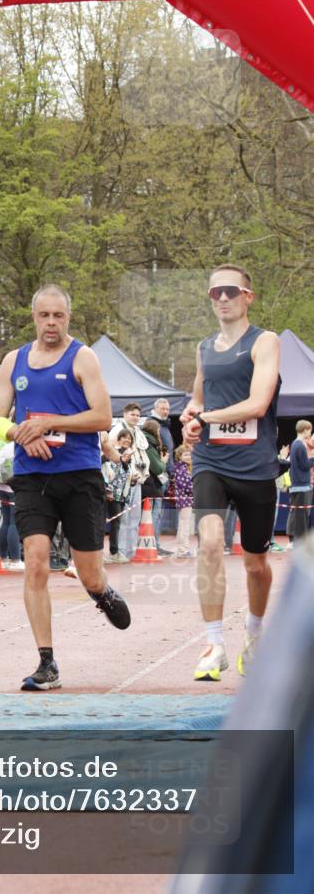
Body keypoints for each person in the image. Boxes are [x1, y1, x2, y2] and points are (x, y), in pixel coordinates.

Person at [0, 284, 131, 692]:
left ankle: (101, 591)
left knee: (88, 573)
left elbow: (103, 417)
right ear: (33, 316)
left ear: (68, 317)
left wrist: (49, 423)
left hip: (79, 475)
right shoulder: (14, 360)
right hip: (32, 476)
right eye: (44, 315)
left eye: (58, 316)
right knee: (35, 562)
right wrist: (19, 432)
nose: (51, 323)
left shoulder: (82, 357)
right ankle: (46, 662)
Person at [181, 264, 281, 681]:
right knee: (209, 544)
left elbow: (258, 404)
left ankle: (254, 635)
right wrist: (190, 417)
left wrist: (205, 417)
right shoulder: (205, 348)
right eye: (215, 292)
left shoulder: (265, 342)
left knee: (255, 563)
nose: (222, 298)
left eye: (230, 291)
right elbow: (197, 399)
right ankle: (213, 644)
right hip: (211, 460)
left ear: (247, 297)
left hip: (255, 465)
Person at [108, 403, 150, 561]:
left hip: (138, 480)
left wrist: (143, 474)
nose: (136, 417)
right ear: (124, 414)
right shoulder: (116, 431)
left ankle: (131, 551)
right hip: (122, 482)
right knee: (123, 517)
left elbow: (142, 455)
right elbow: (112, 456)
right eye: (133, 414)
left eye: (138, 415)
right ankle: (120, 551)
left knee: (134, 517)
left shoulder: (138, 432)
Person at [102, 428, 134, 563]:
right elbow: (107, 472)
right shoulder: (111, 454)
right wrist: (108, 490)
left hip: (121, 495)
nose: (127, 440)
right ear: (118, 439)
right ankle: (109, 553)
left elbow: (125, 475)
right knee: (104, 522)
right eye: (124, 437)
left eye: (129, 438)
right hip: (110, 494)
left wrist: (133, 479)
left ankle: (114, 552)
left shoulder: (130, 457)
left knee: (116, 524)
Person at [149, 398, 175, 555]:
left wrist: (171, 472)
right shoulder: (153, 425)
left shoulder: (165, 425)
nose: (165, 411)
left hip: (165, 473)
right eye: (162, 408)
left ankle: (155, 544)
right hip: (157, 474)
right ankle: (153, 545)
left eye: (167, 409)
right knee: (155, 512)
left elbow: (168, 450)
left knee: (157, 512)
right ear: (155, 408)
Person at [286, 420, 314, 543]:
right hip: (302, 485)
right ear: (305, 430)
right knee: (301, 515)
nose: (310, 433)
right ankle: (299, 541)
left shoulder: (295, 444)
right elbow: (305, 465)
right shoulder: (300, 445)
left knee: (295, 513)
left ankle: (293, 540)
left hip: (296, 484)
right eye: (310, 430)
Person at [172, 444, 195, 558]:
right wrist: (197, 489)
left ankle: (182, 549)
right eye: (185, 454)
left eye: (190, 454)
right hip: (184, 500)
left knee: (184, 525)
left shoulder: (184, 467)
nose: (188, 456)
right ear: (179, 456)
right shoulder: (182, 468)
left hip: (186, 500)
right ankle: (183, 550)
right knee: (184, 525)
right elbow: (186, 485)